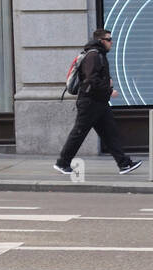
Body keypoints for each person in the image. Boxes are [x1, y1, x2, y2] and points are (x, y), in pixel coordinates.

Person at [53, 29, 141, 176]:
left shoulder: (98, 55)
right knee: (79, 133)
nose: (111, 42)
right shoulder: (94, 55)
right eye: (109, 39)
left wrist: (107, 82)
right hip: (90, 103)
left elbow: (96, 78)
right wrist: (108, 90)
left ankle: (124, 164)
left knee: (110, 134)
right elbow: (91, 81)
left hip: (98, 103)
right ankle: (62, 163)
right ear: (101, 41)